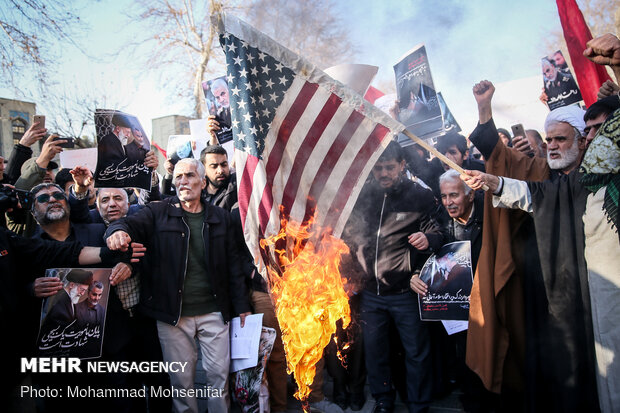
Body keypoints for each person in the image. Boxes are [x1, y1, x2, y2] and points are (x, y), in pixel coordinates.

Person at [461, 104, 600, 412]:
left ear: (582, 140)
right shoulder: (540, 170)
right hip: (539, 288)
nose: (552, 146)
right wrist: (484, 109)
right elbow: (506, 166)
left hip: (589, 290)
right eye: (549, 140)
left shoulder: (597, 177)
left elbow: (544, 194)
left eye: (561, 139)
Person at [105, 158, 251, 413]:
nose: (183, 181)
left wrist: (241, 306)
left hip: (214, 311)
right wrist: (115, 232)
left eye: (190, 176)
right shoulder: (157, 212)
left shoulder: (220, 217)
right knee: (182, 383)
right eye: (178, 177)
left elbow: (234, 265)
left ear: (202, 182)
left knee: (219, 376)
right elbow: (126, 224)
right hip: (172, 315)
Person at [345, 141, 444, 413]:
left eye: (389, 167)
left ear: (402, 165)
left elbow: (439, 233)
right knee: (376, 353)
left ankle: (418, 405)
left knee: (416, 353)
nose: (384, 173)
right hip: (370, 294)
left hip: (405, 294)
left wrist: (428, 238)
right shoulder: (363, 196)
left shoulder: (419, 196)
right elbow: (349, 237)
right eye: (378, 168)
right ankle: (382, 400)